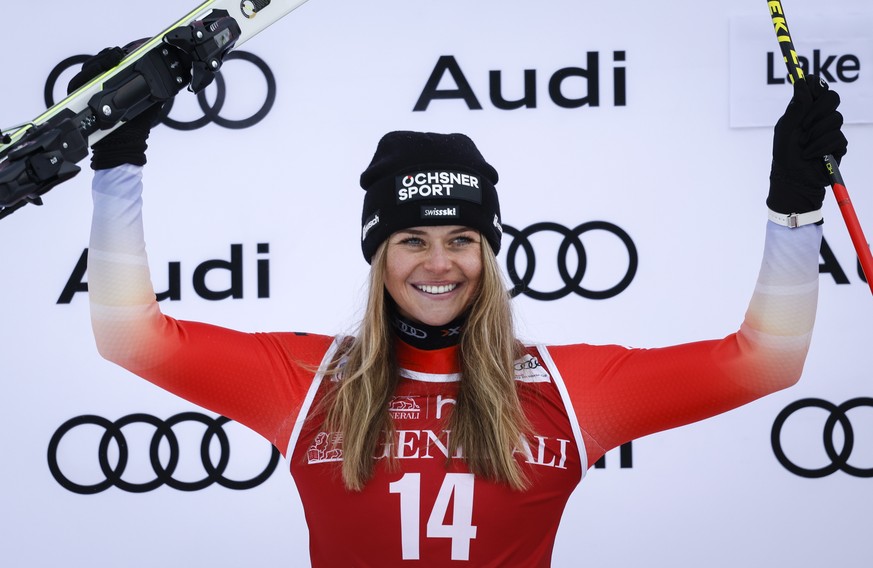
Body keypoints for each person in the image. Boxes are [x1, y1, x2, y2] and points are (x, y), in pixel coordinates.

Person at [78, 44, 847, 567]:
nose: (439, 263)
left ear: (488, 251)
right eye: (411, 239)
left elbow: (766, 361)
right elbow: (129, 336)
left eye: (462, 239)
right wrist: (116, 162)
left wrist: (793, 207)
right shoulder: (310, 379)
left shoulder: (563, 391)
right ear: (379, 257)